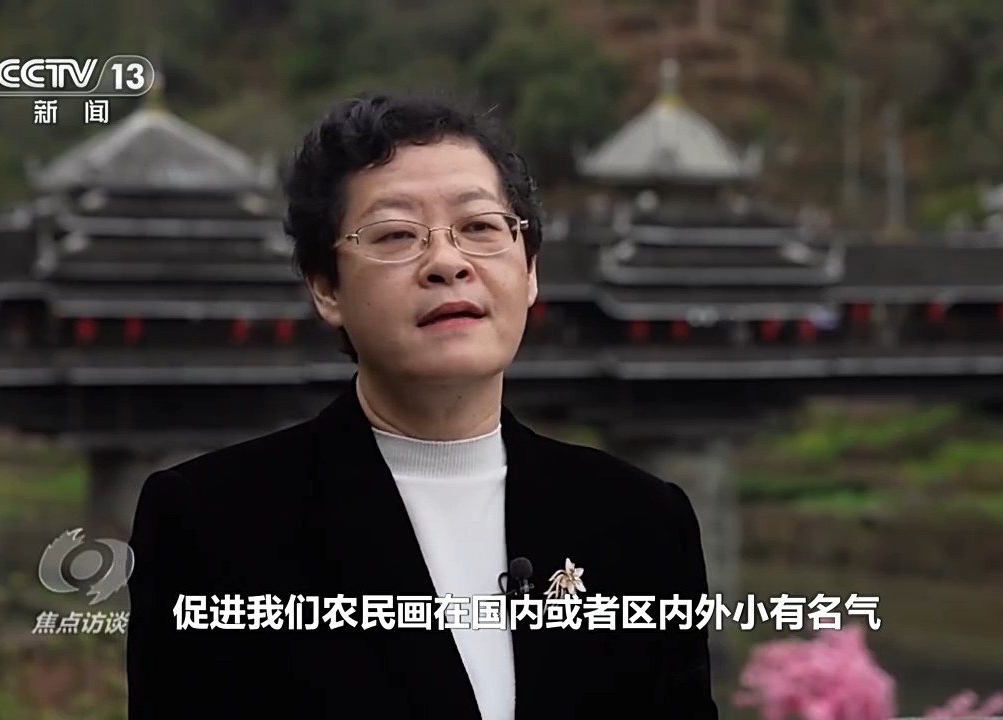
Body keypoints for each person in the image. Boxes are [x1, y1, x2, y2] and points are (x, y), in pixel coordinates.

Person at [126, 90, 717, 719]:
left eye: (480, 227)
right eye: (396, 234)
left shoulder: (643, 522)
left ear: (530, 269)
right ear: (326, 288)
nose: (446, 262)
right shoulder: (210, 523)